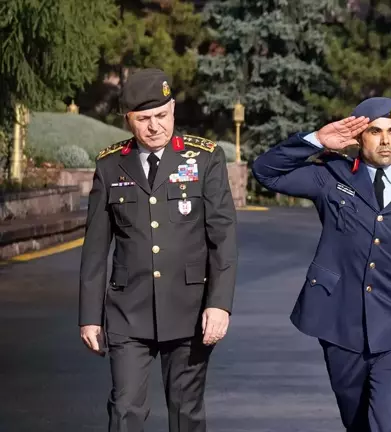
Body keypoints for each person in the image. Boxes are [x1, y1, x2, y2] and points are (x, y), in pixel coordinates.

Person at [251, 97, 391, 431]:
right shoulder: (332, 176)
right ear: (359, 136)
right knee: (359, 423)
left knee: (388, 422)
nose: (386, 140)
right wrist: (317, 140)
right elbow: (266, 172)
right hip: (342, 323)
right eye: (375, 131)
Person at [78, 68, 238, 432]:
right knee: (125, 411)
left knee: (186, 413)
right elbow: (96, 245)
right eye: (144, 119)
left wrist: (219, 304)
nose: (155, 127)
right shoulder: (109, 164)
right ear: (128, 120)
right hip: (127, 311)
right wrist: (90, 315)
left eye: (162, 116)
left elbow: (223, 237)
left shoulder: (205, 158)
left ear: (173, 109)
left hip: (189, 309)